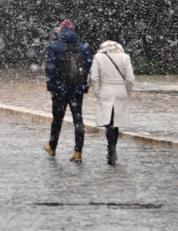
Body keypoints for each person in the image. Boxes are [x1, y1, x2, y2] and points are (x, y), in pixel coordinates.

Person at [43, 20, 93, 162]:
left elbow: (50, 68)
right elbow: (89, 67)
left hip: (59, 90)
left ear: (60, 31)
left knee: (57, 119)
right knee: (78, 119)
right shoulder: (82, 47)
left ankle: (52, 147)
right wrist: (83, 86)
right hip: (77, 90)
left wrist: (51, 87)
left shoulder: (54, 46)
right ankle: (78, 151)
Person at [90, 39, 135, 165]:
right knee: (116, 122)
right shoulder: (125, 57)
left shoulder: (99, 57)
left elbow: (94, 77)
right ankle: (113, 148)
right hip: (121, 91)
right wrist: (128, 91)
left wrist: (97, 92)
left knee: (108, 122)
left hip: (106, 91)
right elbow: (130, 78)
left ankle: (111, 148)